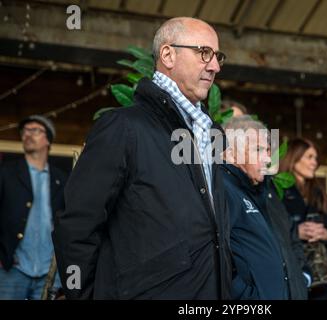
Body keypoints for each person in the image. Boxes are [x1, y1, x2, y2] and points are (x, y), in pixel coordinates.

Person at [52, 17, 232, 299]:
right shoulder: (123, 127)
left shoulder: (212, 134)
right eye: (204, 53)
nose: (215, 66)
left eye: (217, 56)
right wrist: (85, 295)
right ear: (168, 55)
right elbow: (77, 225)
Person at [220, 115, 309, 300]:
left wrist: (302, 278)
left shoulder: (262, 192)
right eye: (258, 149)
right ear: (231, 153)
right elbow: (213, 255)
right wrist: (248, 297)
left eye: (268, 150)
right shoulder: (222, 190)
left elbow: (289, 241)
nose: (268, 158)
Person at [0, 115, 66, 300]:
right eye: (25, 131)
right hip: (11, 269)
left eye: (35, 130)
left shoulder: (61, 179)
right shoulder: (6, 173)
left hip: (49, 272)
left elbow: (66, 224)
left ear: (48, 139)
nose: (28, 134)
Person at [279, 138, 327, 300]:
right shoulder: (276, 191)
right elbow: (268, 231)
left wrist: (326, 234)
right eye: (309, 157)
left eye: (316, 158)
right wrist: (296, 232)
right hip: (290, 276)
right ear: (293, 158)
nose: (315, 162)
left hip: (323, 282)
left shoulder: (321, 196)